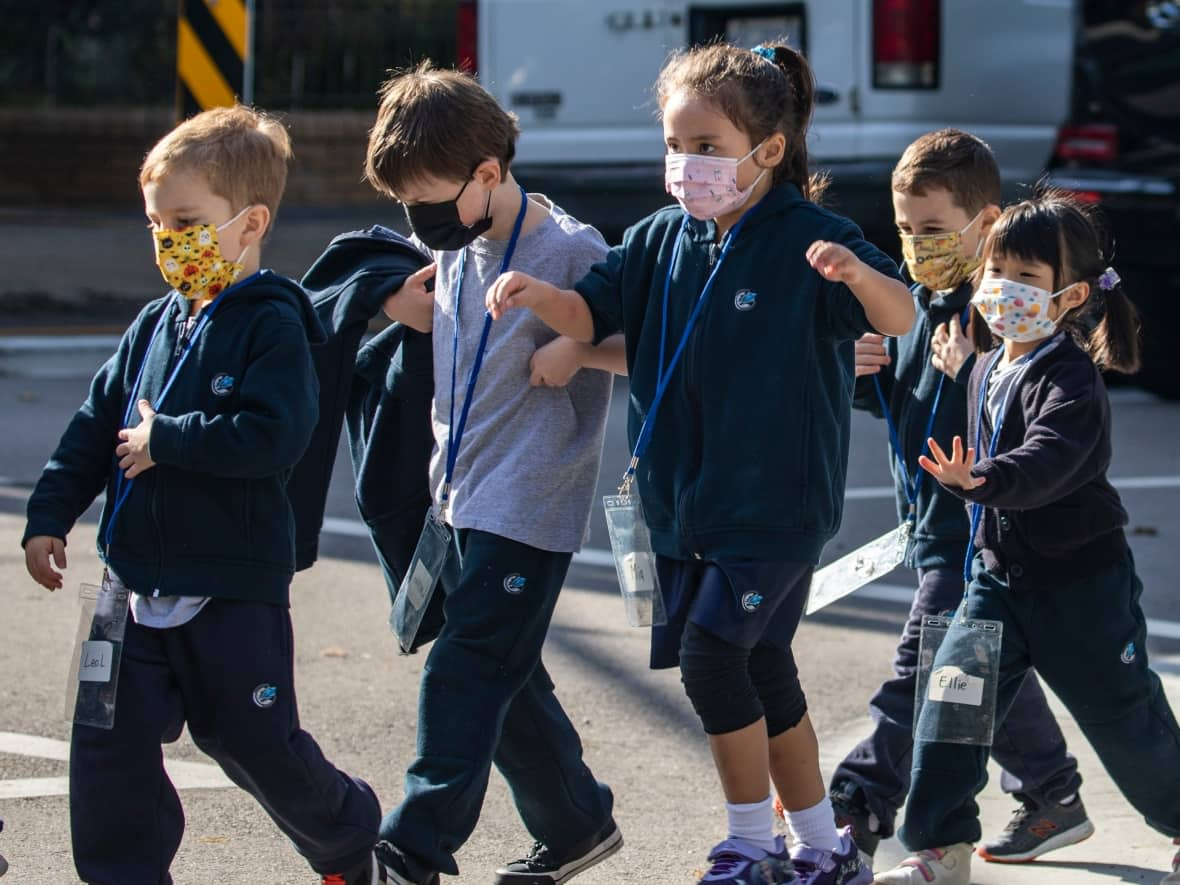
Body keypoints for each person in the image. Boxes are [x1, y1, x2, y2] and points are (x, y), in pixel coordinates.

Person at [487, 42, 914, 885]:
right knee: (762, 668)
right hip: (686, 507)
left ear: (770, 151)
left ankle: (749, 842)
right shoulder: (656, 239)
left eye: (707, 147)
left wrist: (859, 275)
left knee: (713, 657)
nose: (687, 164)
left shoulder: (814, 239)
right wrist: (543, 302)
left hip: (775, 509)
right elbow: (592, 308)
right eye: (676, 145)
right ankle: (825, 847)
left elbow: (897, 316)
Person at [21, 106, 388, 885]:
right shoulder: (154, 324)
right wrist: (49, 513)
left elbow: (275, 436)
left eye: (185, 221)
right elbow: (95, 425)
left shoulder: (274, 325)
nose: (166, 240)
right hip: (130, 582)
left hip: (229, 586)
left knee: (253, 741)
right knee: (106, 744)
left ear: (249, 222)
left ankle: (348, 837)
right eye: (156, 223)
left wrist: (172, 439)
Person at [361, 63, 623, 885]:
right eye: (406, 204)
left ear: (489, 171)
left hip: (532, 501)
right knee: (504, 676)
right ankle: (576, 824)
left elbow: (644, 343)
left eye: (431, 202)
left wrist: (576, 345)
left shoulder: (573, 248)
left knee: (467, 667)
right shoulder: (457, 244)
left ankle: (414, 845)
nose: (419, 220)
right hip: (460, 496)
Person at [873, 192, 1180, 885]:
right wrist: (952, 367)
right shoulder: (987, 361)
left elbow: (1045, 459)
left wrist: (981, 479)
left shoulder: (1071, 379)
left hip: (1080, 589)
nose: (1003, 291)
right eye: (995, 272)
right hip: (995, 583)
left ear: (1069, 295)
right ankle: (939, 847)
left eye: (1027, 279)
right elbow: (979, 390)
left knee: (1124, 716)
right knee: (952, 698)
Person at [828, 129, 1092, 868]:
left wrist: (975, 367)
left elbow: (1037, 421)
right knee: (981, 667)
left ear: (986, 223)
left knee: (930, 668)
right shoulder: (911, 303)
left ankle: (860, 801)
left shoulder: (1004, 315)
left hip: (980, 536)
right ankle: (1052, 793)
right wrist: (857, 372)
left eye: (934, 230)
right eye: (906, 229)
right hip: (930, 529)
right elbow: (903, 402)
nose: (916, 244)